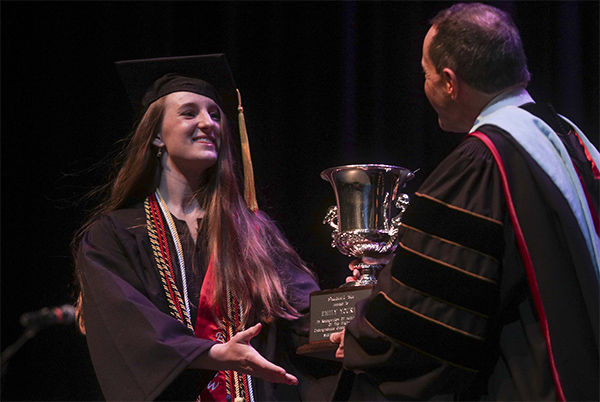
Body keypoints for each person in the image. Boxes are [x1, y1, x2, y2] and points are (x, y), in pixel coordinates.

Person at [330, 3, 599, 401]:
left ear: (450, 81)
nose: (425, 86)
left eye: (425, 74)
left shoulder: (483, 160)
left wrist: (362, 340)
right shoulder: (569, 138)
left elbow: (429, 316)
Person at [72, 54, 337, 401]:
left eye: (214, 114)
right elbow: (126, 327)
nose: (208, 122)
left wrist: (353, 309)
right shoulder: (113, 235)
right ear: (155, 136)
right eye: (189, 112)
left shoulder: (253, 230)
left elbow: (300, 315)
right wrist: (215, 355)